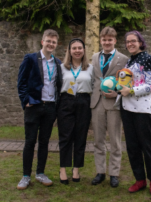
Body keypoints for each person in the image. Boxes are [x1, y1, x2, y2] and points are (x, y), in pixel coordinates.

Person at [16, 29, 62, 190]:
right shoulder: (30, 59)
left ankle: (40, 173)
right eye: (48, 41)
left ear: (56, 45)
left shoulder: (57, 63)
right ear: (42, 41)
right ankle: (26, 176)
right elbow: (21, 82)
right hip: (34, 106)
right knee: (30, 141)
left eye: (54, 42)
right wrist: (26, 100)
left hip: (50, 107)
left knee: (44, 142)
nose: (51, 44)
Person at [118, 30, 151, 196]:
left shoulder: (149, 59)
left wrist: (132, 91)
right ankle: (140, 179)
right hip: (127, 109)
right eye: (127, 41)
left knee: (147, 147)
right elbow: (126, 84)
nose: (130, 44)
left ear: (141, 42)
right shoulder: (129, 61)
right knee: (132, 147)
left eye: (133, 41)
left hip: (143, 109)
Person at [90, 27, 128, 187]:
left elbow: (127, 83)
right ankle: (100, 172)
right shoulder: (94, 57)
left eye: (110, 40)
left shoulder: (124, 59)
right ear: (101, 41)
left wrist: (117, 93)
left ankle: (114, 173)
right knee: (98, 140)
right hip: (97, 103)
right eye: (104, 40)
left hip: (114, 104)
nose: (107, 42)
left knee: (115, 140)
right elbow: (92, 80)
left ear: (115, 41)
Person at [57, 39, 93, 185]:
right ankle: (63, 169)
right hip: (66, 101)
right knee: (65, 137)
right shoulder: (62, 68)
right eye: (74, 48)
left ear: (84, 50)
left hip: (84, 102)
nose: (77, 50)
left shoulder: (90, 68)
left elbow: (95, 85)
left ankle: (76, 168)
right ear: (69, 51)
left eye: (80, 48)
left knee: (80, 136)